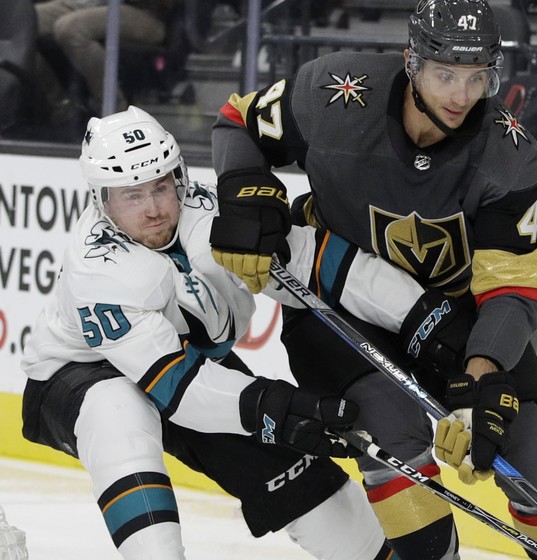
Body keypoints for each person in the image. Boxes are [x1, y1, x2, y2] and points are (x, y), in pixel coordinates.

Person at [209, 0, 537, 558]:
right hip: (339, 302)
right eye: (445, 75)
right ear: (411, 62)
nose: (462, 96)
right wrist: (246, 188)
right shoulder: (335, 93)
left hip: (450, 317)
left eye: (477, 77)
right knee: (390, 431)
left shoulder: (508, 154)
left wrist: (479, 376)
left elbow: (513, 284)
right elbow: (238, 120)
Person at [17, 105, 450, 559]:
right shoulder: (99, 271)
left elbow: (315, 263)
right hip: (79, 374)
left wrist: (422, 313)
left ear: (179, 177)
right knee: (117, 412)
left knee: (308, 488)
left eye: (161, 187)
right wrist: (274, 406)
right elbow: (178, 389)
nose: (153, 210)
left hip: (191, 366)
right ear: (101, 200)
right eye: (132, 195)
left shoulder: (214, 214)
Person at [35, 0, 177, 116]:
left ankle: (115, 110)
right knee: (27, 20)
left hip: (146, 12)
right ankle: (57, 105)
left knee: (70, 28)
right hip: (87, 4)